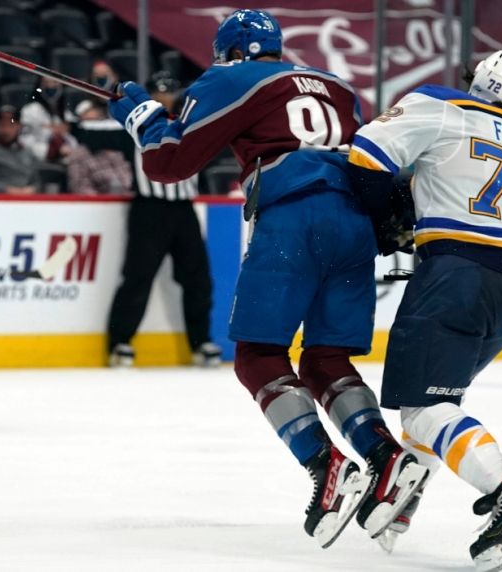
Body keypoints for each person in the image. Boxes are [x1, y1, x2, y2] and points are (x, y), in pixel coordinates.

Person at [108, 10, 428, 548]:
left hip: (292, 217)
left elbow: (170, 162)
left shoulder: (230, 78)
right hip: (355, 225)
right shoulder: (339, 88)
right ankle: (383, 455)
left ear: (232, 51)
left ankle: (325, 467)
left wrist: (141, 114)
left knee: (258, 356)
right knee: (327, 361)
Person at [346, 51, 502, 569]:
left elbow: (367, 155)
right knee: (438, 404)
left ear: (473, 80)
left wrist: (379, 223)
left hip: (455, 274)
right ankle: (401, 501)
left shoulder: (441, 104)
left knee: (425, 411)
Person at [105, 72, 220, 368]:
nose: (164, 97)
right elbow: (99, 124)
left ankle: (201, 342)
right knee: (138, 276)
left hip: (184, 209)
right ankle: (120, 342)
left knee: (198, 279)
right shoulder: (140, 122)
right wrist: (115, 92)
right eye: (159, 91)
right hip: (149, 209)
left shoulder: (188, 122)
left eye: (169, 92)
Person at [19, 75, 78, 163]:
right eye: (46, 82)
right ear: (40, 86)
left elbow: (72, 140)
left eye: (55, 83)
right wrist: (52, 150)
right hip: (39, 161)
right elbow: (24, 139)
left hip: (67, 161)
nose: (50, 86)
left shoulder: (66, 114)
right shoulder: (30, 110)